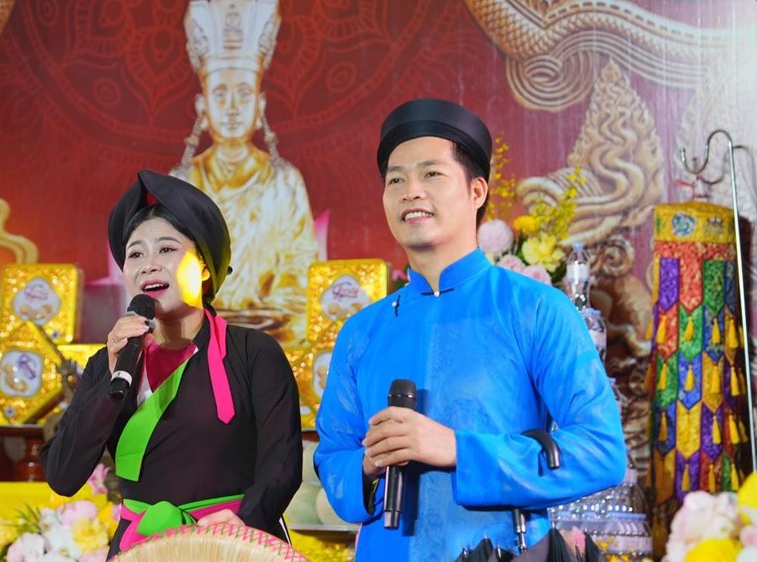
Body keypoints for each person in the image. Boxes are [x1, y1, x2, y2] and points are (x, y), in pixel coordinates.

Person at [313, 98, 627, 560]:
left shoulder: (536, 309)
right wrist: (367, 464)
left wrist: (458, 450)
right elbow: (332, 459)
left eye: (431, 174)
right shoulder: (361, 332)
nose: (410, 191)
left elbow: (601, 451)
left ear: (477, 191)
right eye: (395, 180)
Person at [40, 169, 302, 558]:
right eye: (135, 254)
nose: (148, 264)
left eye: (166, 249)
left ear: (204, 266)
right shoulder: (109, 361)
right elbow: (62, 475)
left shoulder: (253, 352)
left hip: (231, 545)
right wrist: (111, 379)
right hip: (141, 549)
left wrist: (245, 520)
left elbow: (282, 462)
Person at [172, 0, 318, 345]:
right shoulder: (181, 183)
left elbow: (300, 269)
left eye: (243, 94)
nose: (233, 109)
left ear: (260, 104)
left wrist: (271, 312)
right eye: (220, 95)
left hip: (272, 335)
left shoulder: (285, 182)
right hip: (197, 334)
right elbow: (168, 268)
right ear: (202, 106)